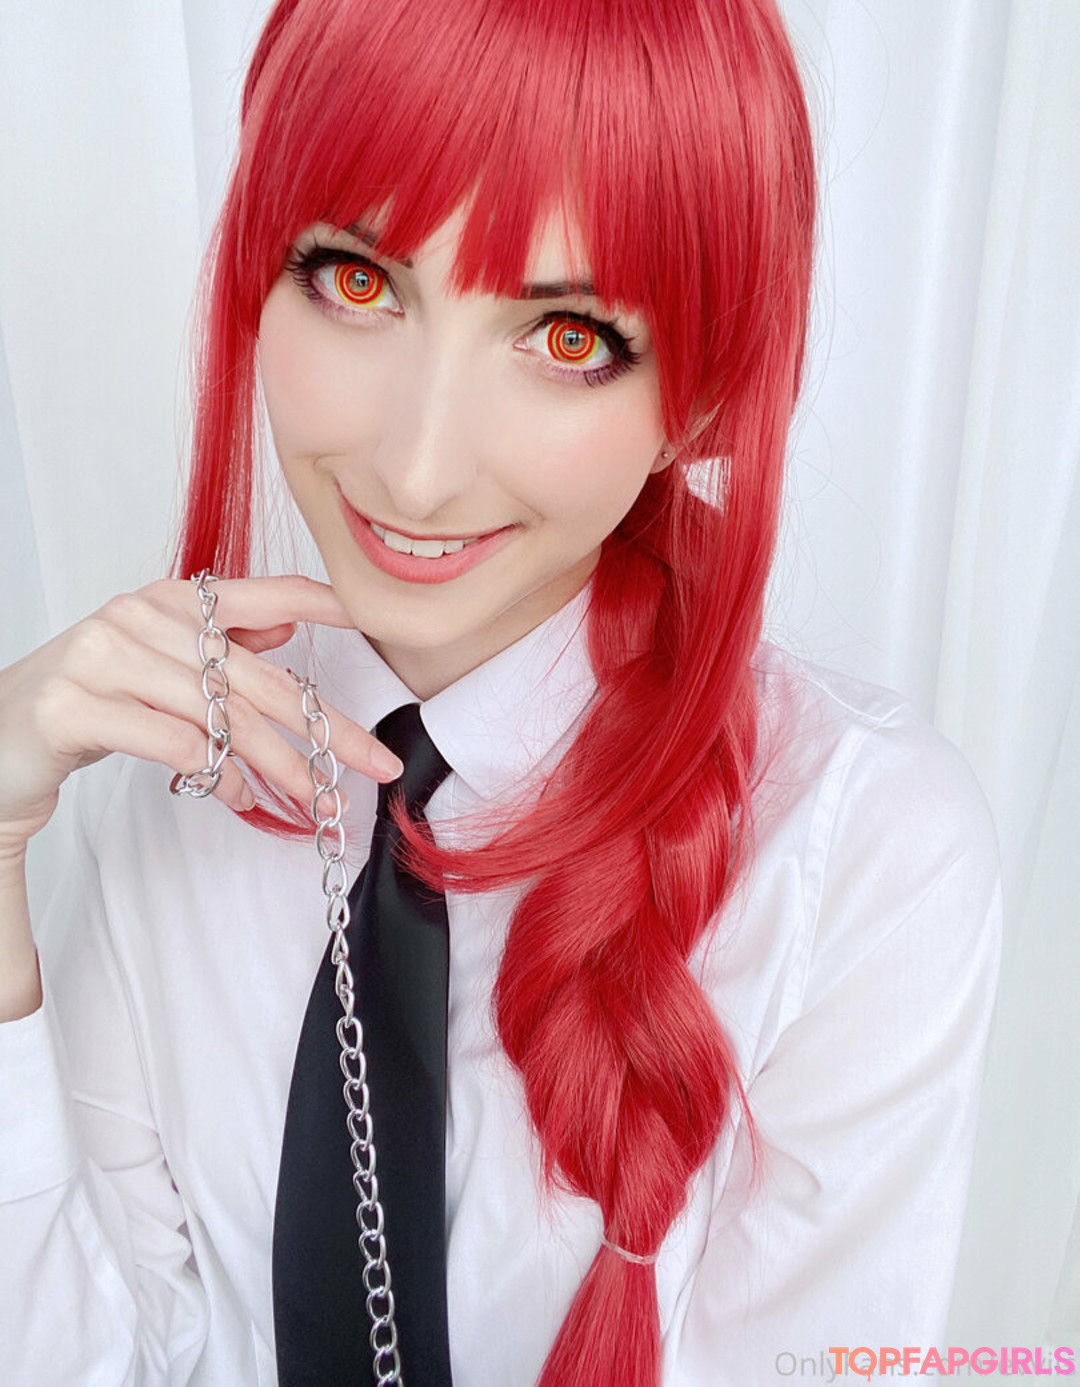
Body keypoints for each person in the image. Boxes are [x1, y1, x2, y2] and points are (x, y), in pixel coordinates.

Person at [0, 0, 1002, 1383]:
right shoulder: (178, 760)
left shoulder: (859, 849)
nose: (416, 471)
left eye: (567, 337)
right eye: (358, 282)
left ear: (702, 396)